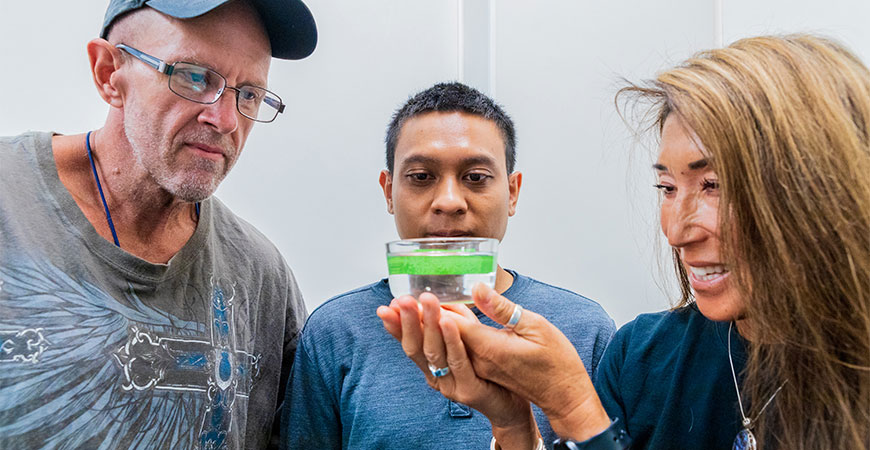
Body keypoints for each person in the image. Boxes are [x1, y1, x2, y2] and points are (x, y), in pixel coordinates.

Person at [380, 35, 870, 449]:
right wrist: (514, 423)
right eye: (667, 188)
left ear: (819, 186)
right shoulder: (641, 356)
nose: (678, 229)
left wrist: (575, 405)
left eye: (714, 185)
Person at [0, 1, 317, 448]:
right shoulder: (10, 203)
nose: (224, 120)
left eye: (249, 95)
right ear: (109, 72)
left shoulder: (261, 276)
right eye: (194, 77)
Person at [281, 82, 616, 449]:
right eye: (421, 177)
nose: (449, 201)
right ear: (388, 191)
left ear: (512, 192)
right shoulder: (335, 331)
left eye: (475, 178)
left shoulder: (584, 330)